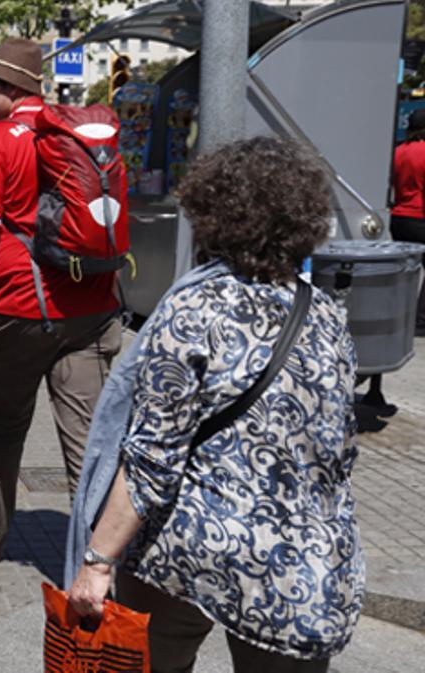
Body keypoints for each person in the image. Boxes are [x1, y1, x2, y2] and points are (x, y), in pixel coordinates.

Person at [68, 136, 362, 672]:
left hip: (187, 551)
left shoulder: (193, 306)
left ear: (213, 212)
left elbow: (152, 459)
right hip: (293, 572)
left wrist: (97, 561)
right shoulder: (323, 312)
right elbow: (339, 450)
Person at [0, 38, 122, 563]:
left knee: (3, 427)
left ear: (10, 88)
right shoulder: (84, 134)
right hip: (93, 307)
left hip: (19, 309)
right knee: (90, 441)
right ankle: (97, 559)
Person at [390, 107, 425, 337]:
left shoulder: (398, 151)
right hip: (420, 217)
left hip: (399, 218)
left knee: (406, 270)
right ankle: (421, 322)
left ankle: (396, 315)